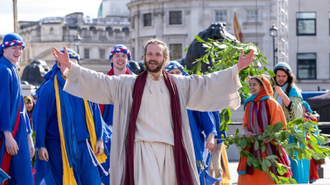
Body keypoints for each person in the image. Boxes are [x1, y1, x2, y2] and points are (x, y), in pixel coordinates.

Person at [52, 39, 254, 185]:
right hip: (141, 149)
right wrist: (72, 67)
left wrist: (236, 68)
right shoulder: (127, 84)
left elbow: (207, 83)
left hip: (171, 149)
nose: (153, 58)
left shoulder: (179, 84)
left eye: (158, 54)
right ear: (144, 57)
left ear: (165, 58)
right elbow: (99, 81)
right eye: (150, 54)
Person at [34, 48, 107, 185]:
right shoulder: (49, 88)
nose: (69, 66)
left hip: (85, 146)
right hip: (58, 146)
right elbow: (41, 119)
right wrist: (41, 145)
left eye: (73, 64)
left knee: (92, 182)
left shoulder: (85, 86)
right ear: (58, 65)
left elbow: (96, 114)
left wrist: (100, 139)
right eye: (66, 63)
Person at [165, 61, 220, 185]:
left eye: (177, 72)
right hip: (169, 141)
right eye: (171, 73)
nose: (175, 76)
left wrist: (211, 135)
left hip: (192, 143)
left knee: (193, 173)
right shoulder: (162, 95)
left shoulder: (192, 94)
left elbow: (205, 115)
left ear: (183, 74)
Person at [237, 75, 292, 185]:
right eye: (250, 85)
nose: (251, 87)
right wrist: (247, 132)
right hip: (251, 147)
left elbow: (279, 125)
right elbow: (245, 123)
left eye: (254, 85)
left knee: (268, 177)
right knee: (249, 178)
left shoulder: (272, 103)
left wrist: (269, 136)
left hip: (269, 147)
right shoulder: (249, 103)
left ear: (263, 86)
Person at [0, 33, 34, 185]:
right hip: (9, 135)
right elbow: (3, 105)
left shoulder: (12, 69)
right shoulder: (3, 70)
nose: (18, 52)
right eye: (14, 48)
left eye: (20, 48)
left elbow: (20, 107)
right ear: (4, 49)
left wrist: (28, 137)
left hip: (18, 134)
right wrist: (7, 135)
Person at [99, 45, 133, 185]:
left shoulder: (136, 81)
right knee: (107, 170)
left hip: (130, 130)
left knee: (130, 168)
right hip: (108, 131)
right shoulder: (104, 81)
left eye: (123, 56)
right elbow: (97, 109)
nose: (120, 59)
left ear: (128, 59)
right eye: (117, 56)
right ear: (111, 59)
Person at [273, 62, 309, 183]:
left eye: (283, 76)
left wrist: (282, 94)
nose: (281, 79)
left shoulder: (293, 91)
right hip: (276, 133)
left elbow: (296, 112)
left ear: (288, 76)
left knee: (292, 164)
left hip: (291, 134)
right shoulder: (273, 90)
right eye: (278, 76)